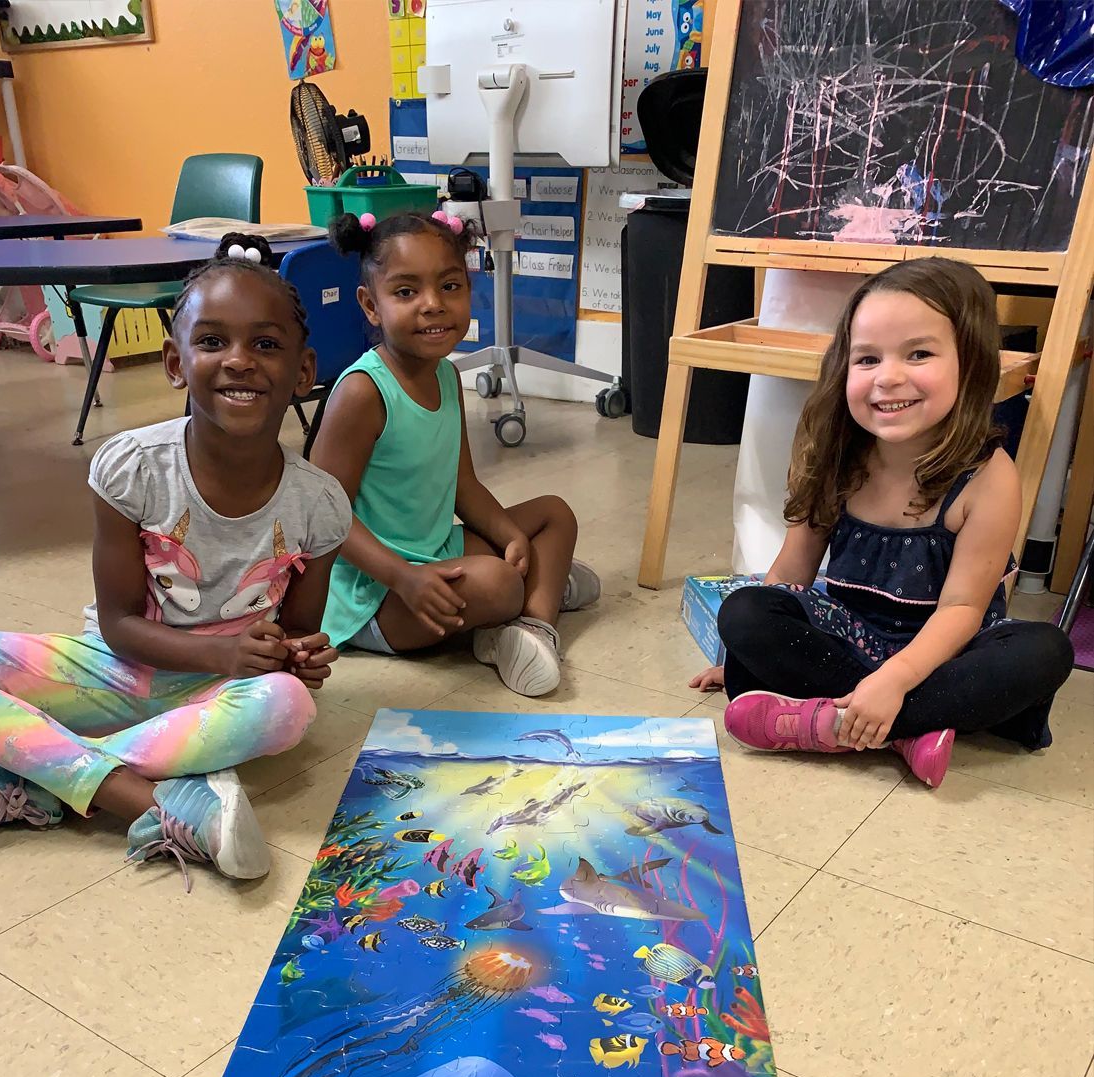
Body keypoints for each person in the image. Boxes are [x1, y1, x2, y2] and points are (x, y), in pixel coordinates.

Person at [0, 234, 351, 881]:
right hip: (117, 669)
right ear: (174, 362)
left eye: (266, 344)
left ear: (303, 372)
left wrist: (297, 655)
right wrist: (222, 652)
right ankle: (145, 799)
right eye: (212, 341)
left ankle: (22, 780)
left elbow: (299, 632)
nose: (239, 360)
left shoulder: (321, 505)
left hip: (222, 694)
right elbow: (118, 624)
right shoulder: (131, 468)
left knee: (288, 707)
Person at [689, 257, 1073, 788]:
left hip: (946, 651)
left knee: (1046, 651)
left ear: (970, 363)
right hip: (850, 636)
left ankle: (838, 721)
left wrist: (895, 681)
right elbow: (790, 573)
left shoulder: (989, 477)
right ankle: (910, 728)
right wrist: (741, 655)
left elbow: (963, 610)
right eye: (867, 358)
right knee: (745, 610)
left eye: (919, 354)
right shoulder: (834, 455)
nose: (888, 377)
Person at [309, 209, 599, 698]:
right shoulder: (363, 391)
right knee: (499, 584)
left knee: (554, 514)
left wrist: (510, 535)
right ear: (371, 305)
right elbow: (322, 514)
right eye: (406, 292)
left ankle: (533, 627)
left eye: (449, 287)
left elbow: (463, 484)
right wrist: (405, 578)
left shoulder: (446, 374)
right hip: (372, 592)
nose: (433, 305)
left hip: (433, 549)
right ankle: (531, 598)